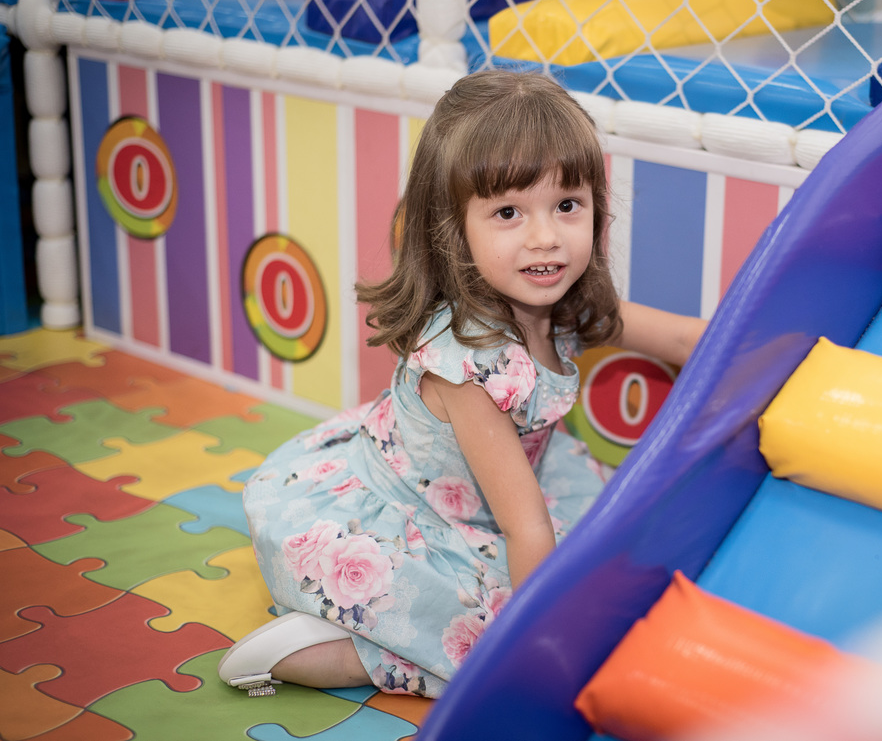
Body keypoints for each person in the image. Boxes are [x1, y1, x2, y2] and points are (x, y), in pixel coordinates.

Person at [218, 69, 707, 698]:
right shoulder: (468, 368)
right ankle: (321, 650)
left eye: (567, 205)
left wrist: (786, 346)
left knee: (614, 550)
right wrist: (540, 659)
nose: (546, 237)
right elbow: (526, 529)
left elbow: (687, 339)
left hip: (504, 491)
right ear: (453, 228)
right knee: (488, 630)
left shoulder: (562, 297)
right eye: (508, 212)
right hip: (417, 509)